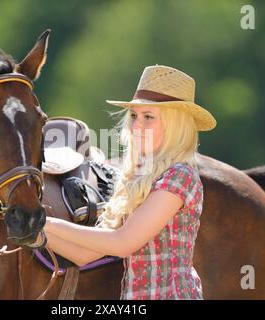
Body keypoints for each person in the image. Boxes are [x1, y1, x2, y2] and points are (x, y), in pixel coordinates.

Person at [42, 65, 217, 299]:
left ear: (175, 125)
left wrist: (46, 222)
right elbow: (85, 254)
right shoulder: (136, 177)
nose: (136, 125)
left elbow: (123, 243)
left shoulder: (180, 176)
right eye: (134, 116)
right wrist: (34, 232)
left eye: (148, 117)